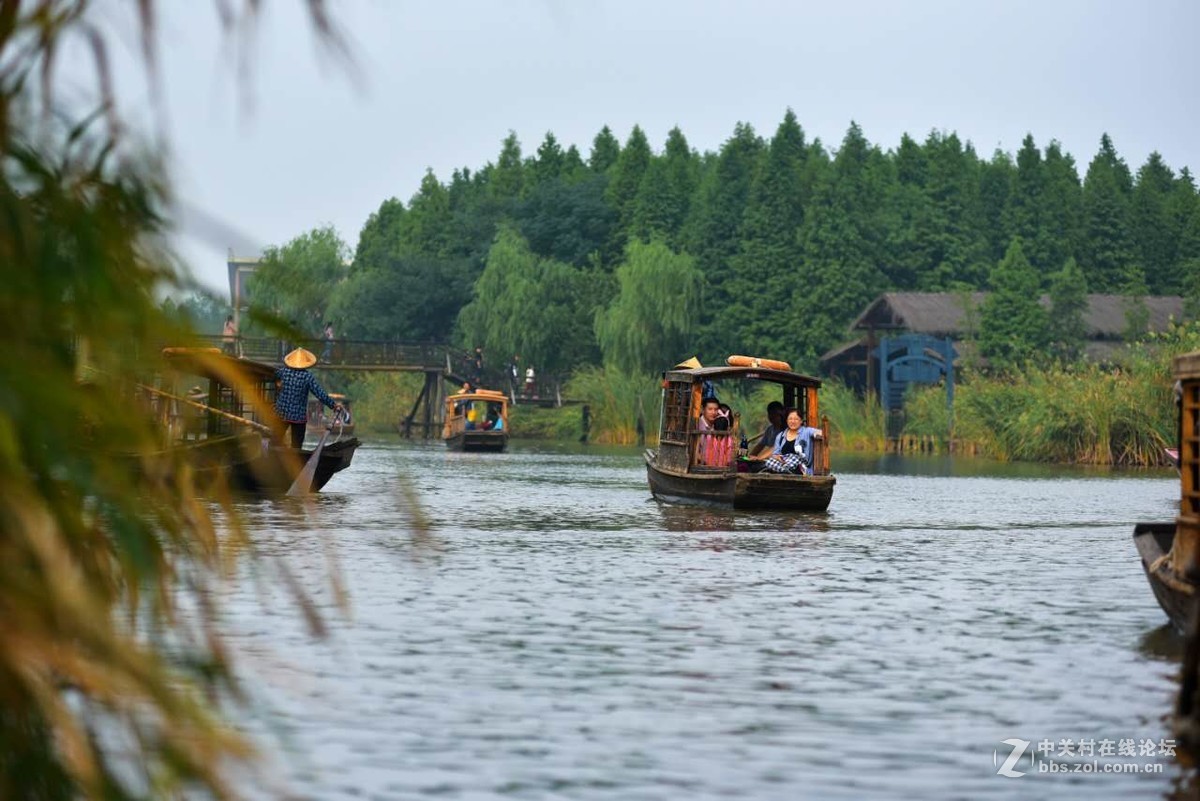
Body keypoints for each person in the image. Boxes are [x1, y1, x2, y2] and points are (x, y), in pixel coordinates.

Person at [274, 347, 343, 449]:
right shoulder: (307, 377)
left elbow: (273, 375)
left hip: (281, 413)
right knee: (296, 446)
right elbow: (319, 394)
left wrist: (277, 383)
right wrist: (333, 405)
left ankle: (272, 458)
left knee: (275, 441)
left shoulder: (282, 372)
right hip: (298, 416)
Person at [759, 408, 824, 474]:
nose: (793, 421)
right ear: (787, 420)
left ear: (801, 421)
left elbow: (823, 433)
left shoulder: (807, 431)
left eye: (796, 419)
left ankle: (787, 470)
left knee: (795, 458)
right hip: (784, 463)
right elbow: (775, 454)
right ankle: (785, 470)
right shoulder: (780, 436)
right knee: (769, 462)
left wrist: (817, 434)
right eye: (790, 419)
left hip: (800, 467)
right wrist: (778, 458)